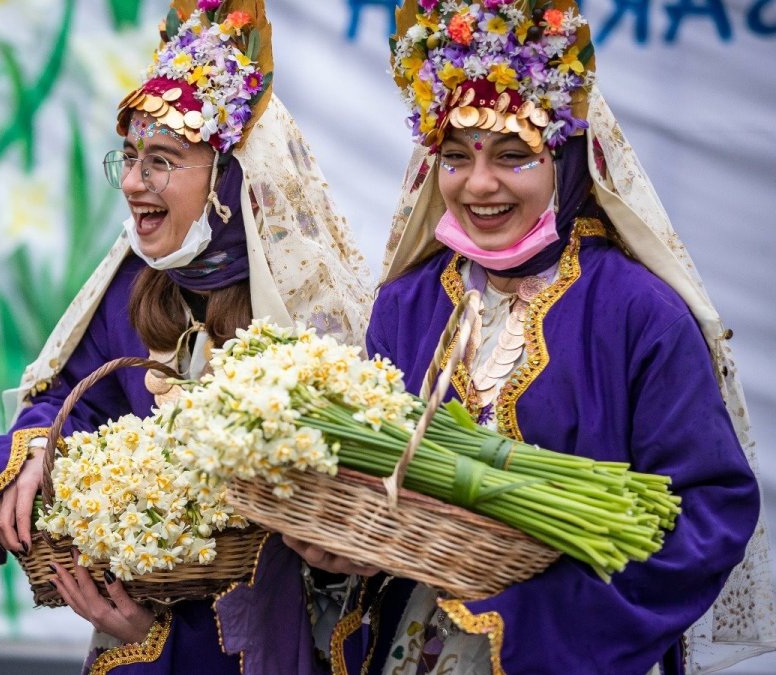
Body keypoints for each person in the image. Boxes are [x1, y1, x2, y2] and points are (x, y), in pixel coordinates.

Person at [281, 0, 774, 672]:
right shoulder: (407, 304)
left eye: (513, 156)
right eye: (455, 156)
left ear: (568, 161)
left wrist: (544, 618)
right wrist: (346, 549)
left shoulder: (638, 312)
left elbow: (711, 509)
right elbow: (375, 492)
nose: (478, 184)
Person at [0, 0, 378, 671]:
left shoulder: (305, 311)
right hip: (138, 631)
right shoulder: (137, 283)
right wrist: (39, 444)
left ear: (227, 177)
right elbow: (69, 392)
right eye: (126, 157)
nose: (131, 183)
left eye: (161, 160)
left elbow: (351, 527)